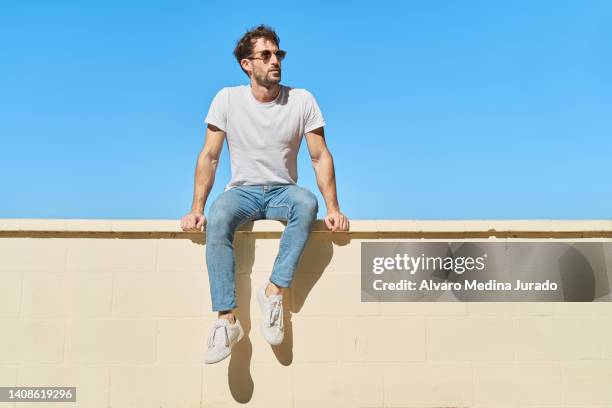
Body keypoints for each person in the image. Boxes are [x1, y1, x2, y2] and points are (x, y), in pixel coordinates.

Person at [180, 24, 349, 364]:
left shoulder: (302, 100)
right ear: (247, 64)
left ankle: (273, 292)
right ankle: (227, 321)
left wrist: (334, 207)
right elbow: (209, 156)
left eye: (279, 54)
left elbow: (319, 156)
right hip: (243, 192)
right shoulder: (227, 99)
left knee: (307, 203)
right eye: (266, 55)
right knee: (220, 215)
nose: (275, 61)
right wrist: (196, 207)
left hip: (283, 191)